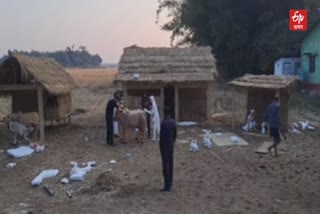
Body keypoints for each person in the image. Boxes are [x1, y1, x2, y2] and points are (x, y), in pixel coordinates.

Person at [159, 106, 177, 192]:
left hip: (164, 145)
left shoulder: (163, 123)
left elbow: (161, 136)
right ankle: (170, 182)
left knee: (165, 164)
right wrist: (172, 142)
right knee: (171, 163)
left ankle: (166, 184)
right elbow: (175, 135)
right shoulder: (173, 122)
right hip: (170, 144)